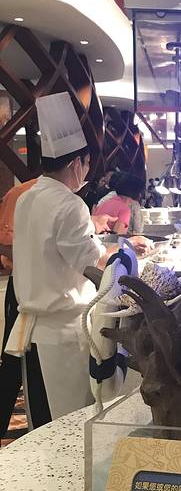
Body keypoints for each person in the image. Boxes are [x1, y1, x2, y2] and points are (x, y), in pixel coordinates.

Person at [5, 93, 149, 420]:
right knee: (68, 422)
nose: (86, 172)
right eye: (86, 164)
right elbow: (93, 261)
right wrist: (126, 247)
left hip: (31, 331)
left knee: (39, 419)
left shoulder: (29, 197)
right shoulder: (70, 204)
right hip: (63, 335)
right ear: (74, 163)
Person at [0, 179, 51, 437]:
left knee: (37, 366)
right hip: (23, 286)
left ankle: (41, 430)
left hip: (47, 292)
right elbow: (4, 242)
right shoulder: (22, 194)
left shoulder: (68, 196)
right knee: (13, 359)